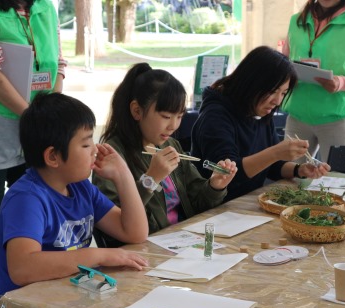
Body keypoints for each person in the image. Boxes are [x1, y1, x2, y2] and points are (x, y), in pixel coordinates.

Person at [0, 0, 66, 308]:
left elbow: (57, 64)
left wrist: (51, 111)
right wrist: (35, 116)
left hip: (35, 131)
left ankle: (42, 287)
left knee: (39, 208)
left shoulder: (44, 9)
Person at [0, 92, 149, 297]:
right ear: (53, 156)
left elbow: (134, 233)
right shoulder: (26, 199)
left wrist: (123, 176)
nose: (95, 150)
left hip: (67, 302)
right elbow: (22, 268)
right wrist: (97, 255)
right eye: (86, 144)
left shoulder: (80, 188)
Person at [92, 63, 237, 248]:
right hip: (146, 251)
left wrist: (215, 185)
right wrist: (151, 179)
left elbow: (197, 202)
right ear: (137, 111)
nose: (174, 126)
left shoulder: (169, 145)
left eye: (180, 116)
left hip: (183, 241)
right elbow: (113, 225)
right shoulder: (111, 156)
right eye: (166, 117)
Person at [190, 46, 330, 203]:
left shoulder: (259, 111)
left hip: (246, 203)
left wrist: (299, 170)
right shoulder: (215, 116)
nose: (277, 101)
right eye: (273, 91)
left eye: (283, 93)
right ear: (252, 83)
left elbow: (272, 166)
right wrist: (275, 152)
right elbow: (227, 172)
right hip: (216, 209)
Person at [282, 0, 345, 162]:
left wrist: (342, 83)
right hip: (297, 114)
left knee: (339, 181)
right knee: (289, 179)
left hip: (339, 117)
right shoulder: (296, 21)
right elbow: (284, 61)